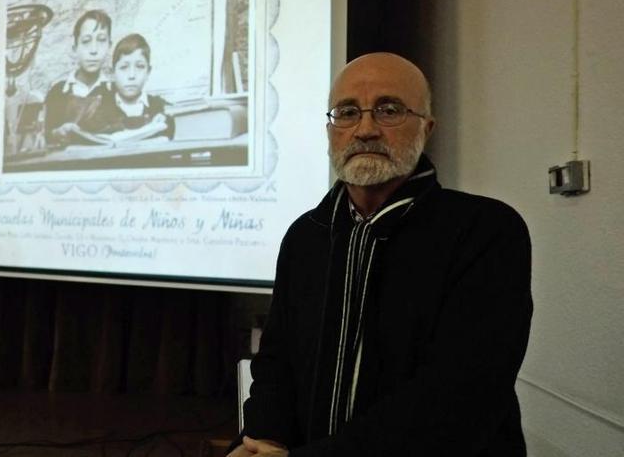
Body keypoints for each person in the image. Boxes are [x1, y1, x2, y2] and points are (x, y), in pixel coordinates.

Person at [228, 52, 532, 457]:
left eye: (389, 110)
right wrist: (261, 440)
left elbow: (460, 396)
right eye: (347, 112)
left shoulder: (486, 231)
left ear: (427, 128)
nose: (365, 129)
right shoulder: (306, 235)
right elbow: (277, 362)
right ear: (331, 129)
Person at [44, 9, 114, 147]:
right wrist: (55, 133)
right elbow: (42, 136)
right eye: (86, 41)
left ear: (109, 46)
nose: (93, 50)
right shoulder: (57, 92)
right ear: (75, 48)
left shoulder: (114, 93)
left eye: (101, 40)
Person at [90, 33, 173, 142]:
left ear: (148, 72)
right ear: (112, 73)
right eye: (124, 67)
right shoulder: (99, 107)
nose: (132, 76)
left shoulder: (159, 108)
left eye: (140, 67)